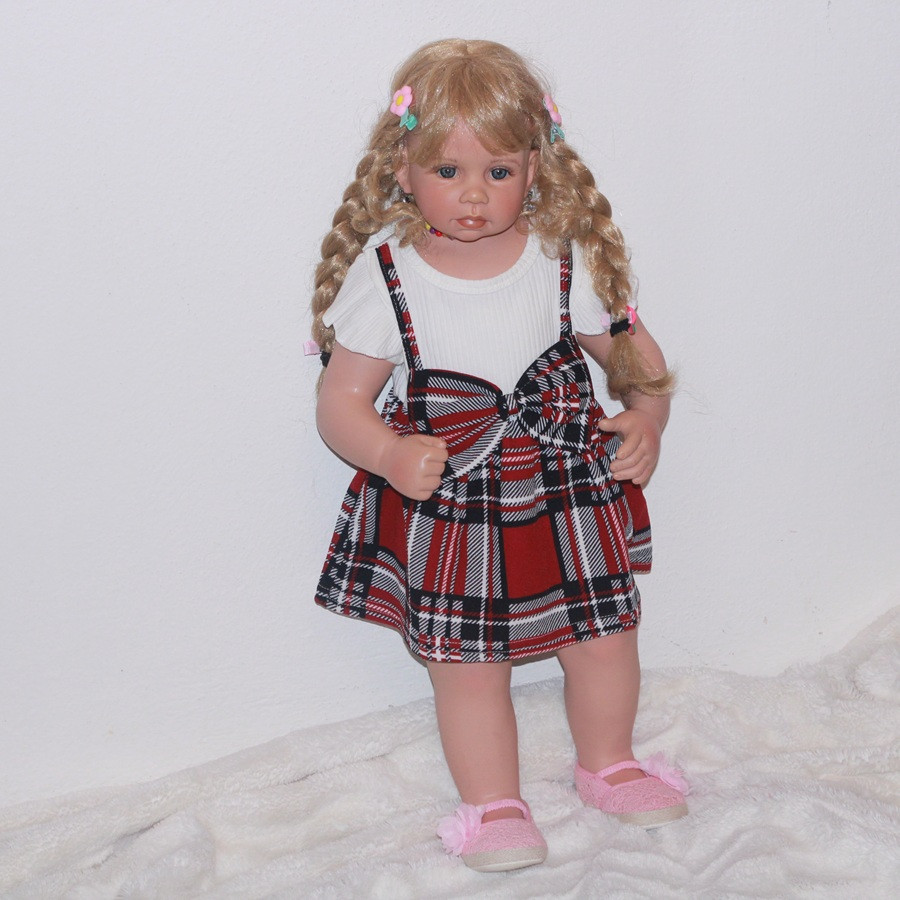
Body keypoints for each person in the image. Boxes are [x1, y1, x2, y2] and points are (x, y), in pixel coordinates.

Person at [309, 38, 688, 873]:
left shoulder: (563, 259)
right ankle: (494, 804)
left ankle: (609, 762)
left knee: (604, 635)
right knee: (470, 664)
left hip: (564, 486)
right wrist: (388, 453)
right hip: (456, 499)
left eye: (499, 171)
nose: (474, 194)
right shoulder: (389, 276)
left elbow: (634, 355)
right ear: (403, 170)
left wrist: (647, 418)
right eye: (448, 171)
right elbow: (339, 403)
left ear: (535, 168)